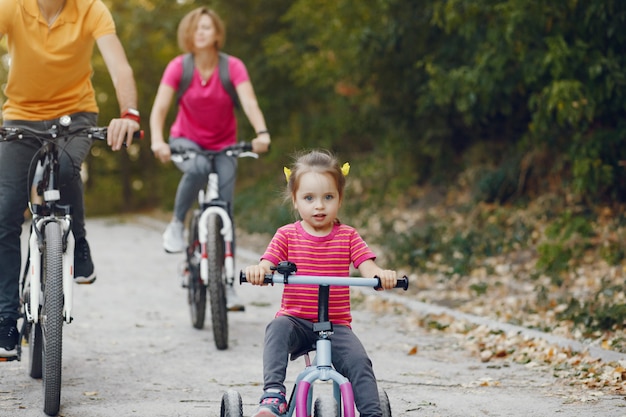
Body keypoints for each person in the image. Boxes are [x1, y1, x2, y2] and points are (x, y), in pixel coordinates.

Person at [0, 0, 140, 359]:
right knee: (7, 210)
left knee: (64, 169)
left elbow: (119, 66)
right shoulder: (11, 8)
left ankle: (79, 239)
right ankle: (5, 319)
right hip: (20, 118)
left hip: (74, 116)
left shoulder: (91, 8)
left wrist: (129, 113)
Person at [244, 150, 398, 417]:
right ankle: (273, 395)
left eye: (328, 197)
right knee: (276, 329)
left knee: (359, 362)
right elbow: (268, 262)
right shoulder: (287, 235)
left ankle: (372, 413)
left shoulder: (348, 236)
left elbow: (366, 265)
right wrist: (260, 271)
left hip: (336, 325)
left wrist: (379, 275)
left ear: (339, 199)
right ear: (295, 200)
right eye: (309, 198)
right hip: (296, 321)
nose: (319, 206)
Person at [149, 7, 270, 311]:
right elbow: (160, 109)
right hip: (186, 142)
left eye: (206, 27)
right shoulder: (179, 67)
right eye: (195, 28)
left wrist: (262, 132)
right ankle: (177, 224)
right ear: (188, 35)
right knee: (199, 169)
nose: (200, 32)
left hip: (224, 145)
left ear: (217, 34)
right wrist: (157, 141)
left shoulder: (233, 67)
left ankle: (228, 284)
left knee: (225, 213)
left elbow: (250, 102)